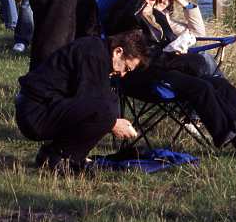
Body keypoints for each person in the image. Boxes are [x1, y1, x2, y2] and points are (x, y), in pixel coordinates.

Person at [105, 0, 236, 160]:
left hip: (166, 68)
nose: (149, 2)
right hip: (141, 75)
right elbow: (120, 23)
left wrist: (176, 48)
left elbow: (177, 37)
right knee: (201, 87)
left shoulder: (157, 16)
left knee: (218, 83)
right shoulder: (124, 12)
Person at [15, 31, 149, 173]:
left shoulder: (98, 52)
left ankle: (55, 153)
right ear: (118, 52)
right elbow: (92, 104)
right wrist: (113, 123)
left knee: (110, 103)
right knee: (106, 112)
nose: (123, 74)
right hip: (35, 113)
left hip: (43, 106)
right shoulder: (93, 56)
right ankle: (65, 158)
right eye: (126, 68)